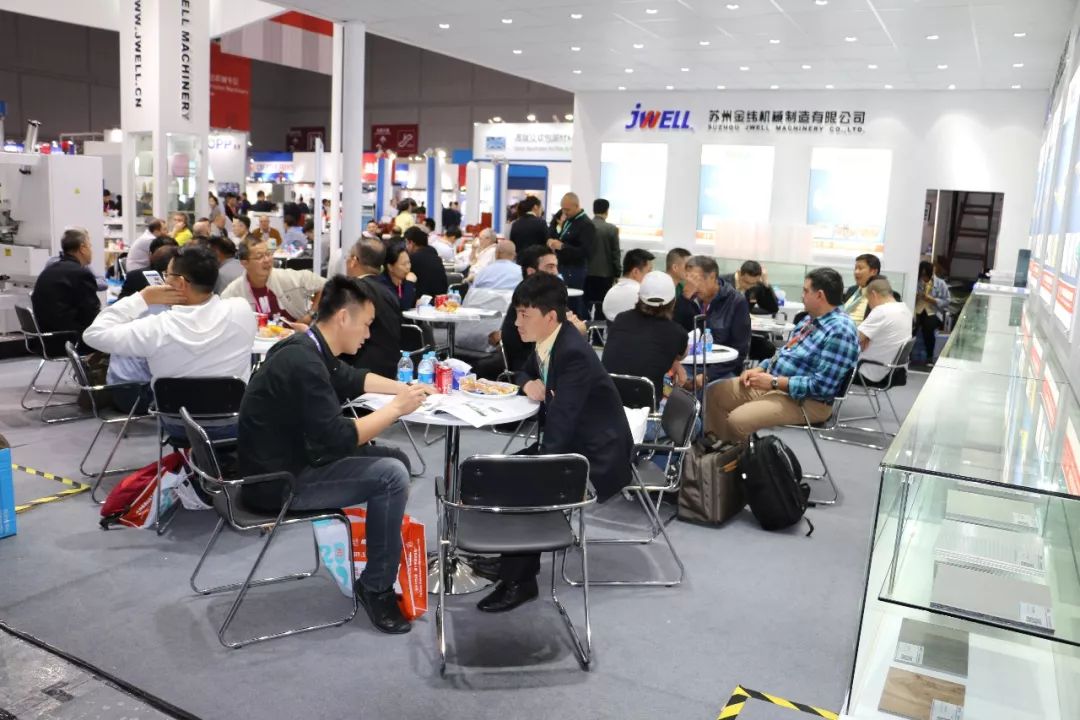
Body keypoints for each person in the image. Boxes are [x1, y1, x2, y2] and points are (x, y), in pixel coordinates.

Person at [237, 276, 432, 634]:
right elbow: (338, 439)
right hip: (278, 483)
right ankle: (376, 586)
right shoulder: (304, 362)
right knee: (392, 475)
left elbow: (350, 378)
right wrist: (396, 409)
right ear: (344, 317)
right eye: (367, 324)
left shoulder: (304, 347)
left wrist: (406, 389)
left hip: (283, 462)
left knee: (396, 460)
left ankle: (381, 556)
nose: (368, 335)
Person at [480, 272, 633, 613]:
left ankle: (520, 582)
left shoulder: (572, 353)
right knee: (503, 473)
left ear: (550, 316)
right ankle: (511, 562)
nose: (517, 322)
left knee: (525, 484)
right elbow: (523, 371)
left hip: (594, 455)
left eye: (525, 314)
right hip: (572, 441)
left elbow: (562, 424)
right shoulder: (550, 339)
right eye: (516, 313)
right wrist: (528, 383)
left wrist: (539, 466)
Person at [83, 244, 257, 407]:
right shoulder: (241, 311)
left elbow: (94, 334)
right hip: (232, 418)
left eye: (167, 275)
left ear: (180, 283)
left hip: (176, 421)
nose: (164, 280)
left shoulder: (157, 326)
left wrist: (142, 298)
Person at [705, 268, 859, 442]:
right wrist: (760, 368)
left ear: (820, 295)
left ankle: (737, 454)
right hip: (777, 385)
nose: (802, 296)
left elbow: (822, 388)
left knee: (737, 420)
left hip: (808, 401)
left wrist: (774, 382)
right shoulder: (810, 320)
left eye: (805, 291)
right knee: (714, 393)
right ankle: (723, 448)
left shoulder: (840, 331)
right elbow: (784, 352)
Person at [602, 271, 688, 405]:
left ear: (639, 297)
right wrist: (675, 361)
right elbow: (681, 355)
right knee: (691, 415)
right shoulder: (676, 332)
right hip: (646, 411)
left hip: (607, 403)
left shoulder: (620, 319)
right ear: (673, 301)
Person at [674, 256, 750, 380]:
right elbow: (674, 334)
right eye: (689, 280)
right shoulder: (688, 299)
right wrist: (684, 298)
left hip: (721, 370)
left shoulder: (736, 301)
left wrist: (708, 375)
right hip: (689, 365)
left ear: (712, 277)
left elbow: (740, 351)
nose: (693, 285)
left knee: (699, 388)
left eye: (696, 279)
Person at [31, 228, 101, 353]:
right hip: (69, 340)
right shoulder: (80, 274)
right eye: (90, 246)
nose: (91, 250)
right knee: (116, 339)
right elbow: (91, 314)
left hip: (45, 338)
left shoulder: (49, 270)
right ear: (82, 248)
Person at [221, 239, 324, 322]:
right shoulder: (234, 292)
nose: (267, 260)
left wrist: (310, 315)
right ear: (245, 263)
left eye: (268, 254)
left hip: (295, 338)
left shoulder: (288, 277)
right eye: (259, 257)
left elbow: (326, 285)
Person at [341, 238, 402, 378]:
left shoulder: (352, 289)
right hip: (390, 369)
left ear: (354, 260)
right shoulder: (389, 291)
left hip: (358, 371)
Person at [857, 278, 913, 384]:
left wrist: (864, 338)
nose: (869, 305)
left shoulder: (881, 311)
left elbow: (853, 339)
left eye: (868, 299)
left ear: (874, 294)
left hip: (868, 372)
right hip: (895, 372)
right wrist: (867, 337)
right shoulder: (905, 310)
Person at [547, 192, 595, 315]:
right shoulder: (569, 220)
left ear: (577, 206)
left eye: (567, 209)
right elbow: (561, 236)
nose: (564, 212)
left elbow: (585, 252)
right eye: (563, 209)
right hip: (562, 266)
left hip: (575, 269)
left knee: (573, 303)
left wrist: (562, 246)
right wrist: (553, 241)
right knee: (561, 301)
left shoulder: (586, 224)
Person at [586, 198, 621, 317]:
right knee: (602, 305)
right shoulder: (612, 229)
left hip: (587, 272)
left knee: (586, 303)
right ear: (607, 211)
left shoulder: (586, 226)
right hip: (605, 274)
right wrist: (617, 273)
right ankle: (599, 328)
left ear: (593, 210)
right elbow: (615, 253)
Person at [913, 260, 951, 366]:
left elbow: (947, 301)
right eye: (922, 275)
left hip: (933, 311)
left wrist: (933, 300)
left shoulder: (941, 283)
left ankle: (930, 357)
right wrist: (915, 297)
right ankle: (908, 355)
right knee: (911, 326)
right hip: (917, 310)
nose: (924, 278)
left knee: (928, 328)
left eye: (926, 275)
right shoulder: (915, 281)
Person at [602, 249, 654, 321]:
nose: (651, 275)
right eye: (649, 271)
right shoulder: (642, 295)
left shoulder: (610, 292)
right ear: (635, 272)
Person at [404, 225, 448, 298]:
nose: (406, 246)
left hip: (423, 299)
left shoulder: (413, 258)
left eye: (406, 243)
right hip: (441, 298)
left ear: (411, 243)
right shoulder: (433, 253)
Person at [841, 253, 881, 325]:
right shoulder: (851, 290)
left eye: (860, 268)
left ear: (874, 272)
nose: (856, 272)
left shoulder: (882, 295)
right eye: (855, 268)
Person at [379, 243, 418, 311]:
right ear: (390, 267)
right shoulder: (382, 285)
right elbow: (403, 307)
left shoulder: (403, 281)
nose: (408, 267)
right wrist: (409, 283)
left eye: (409, 262)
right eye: (403, 264)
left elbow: (411, 303)